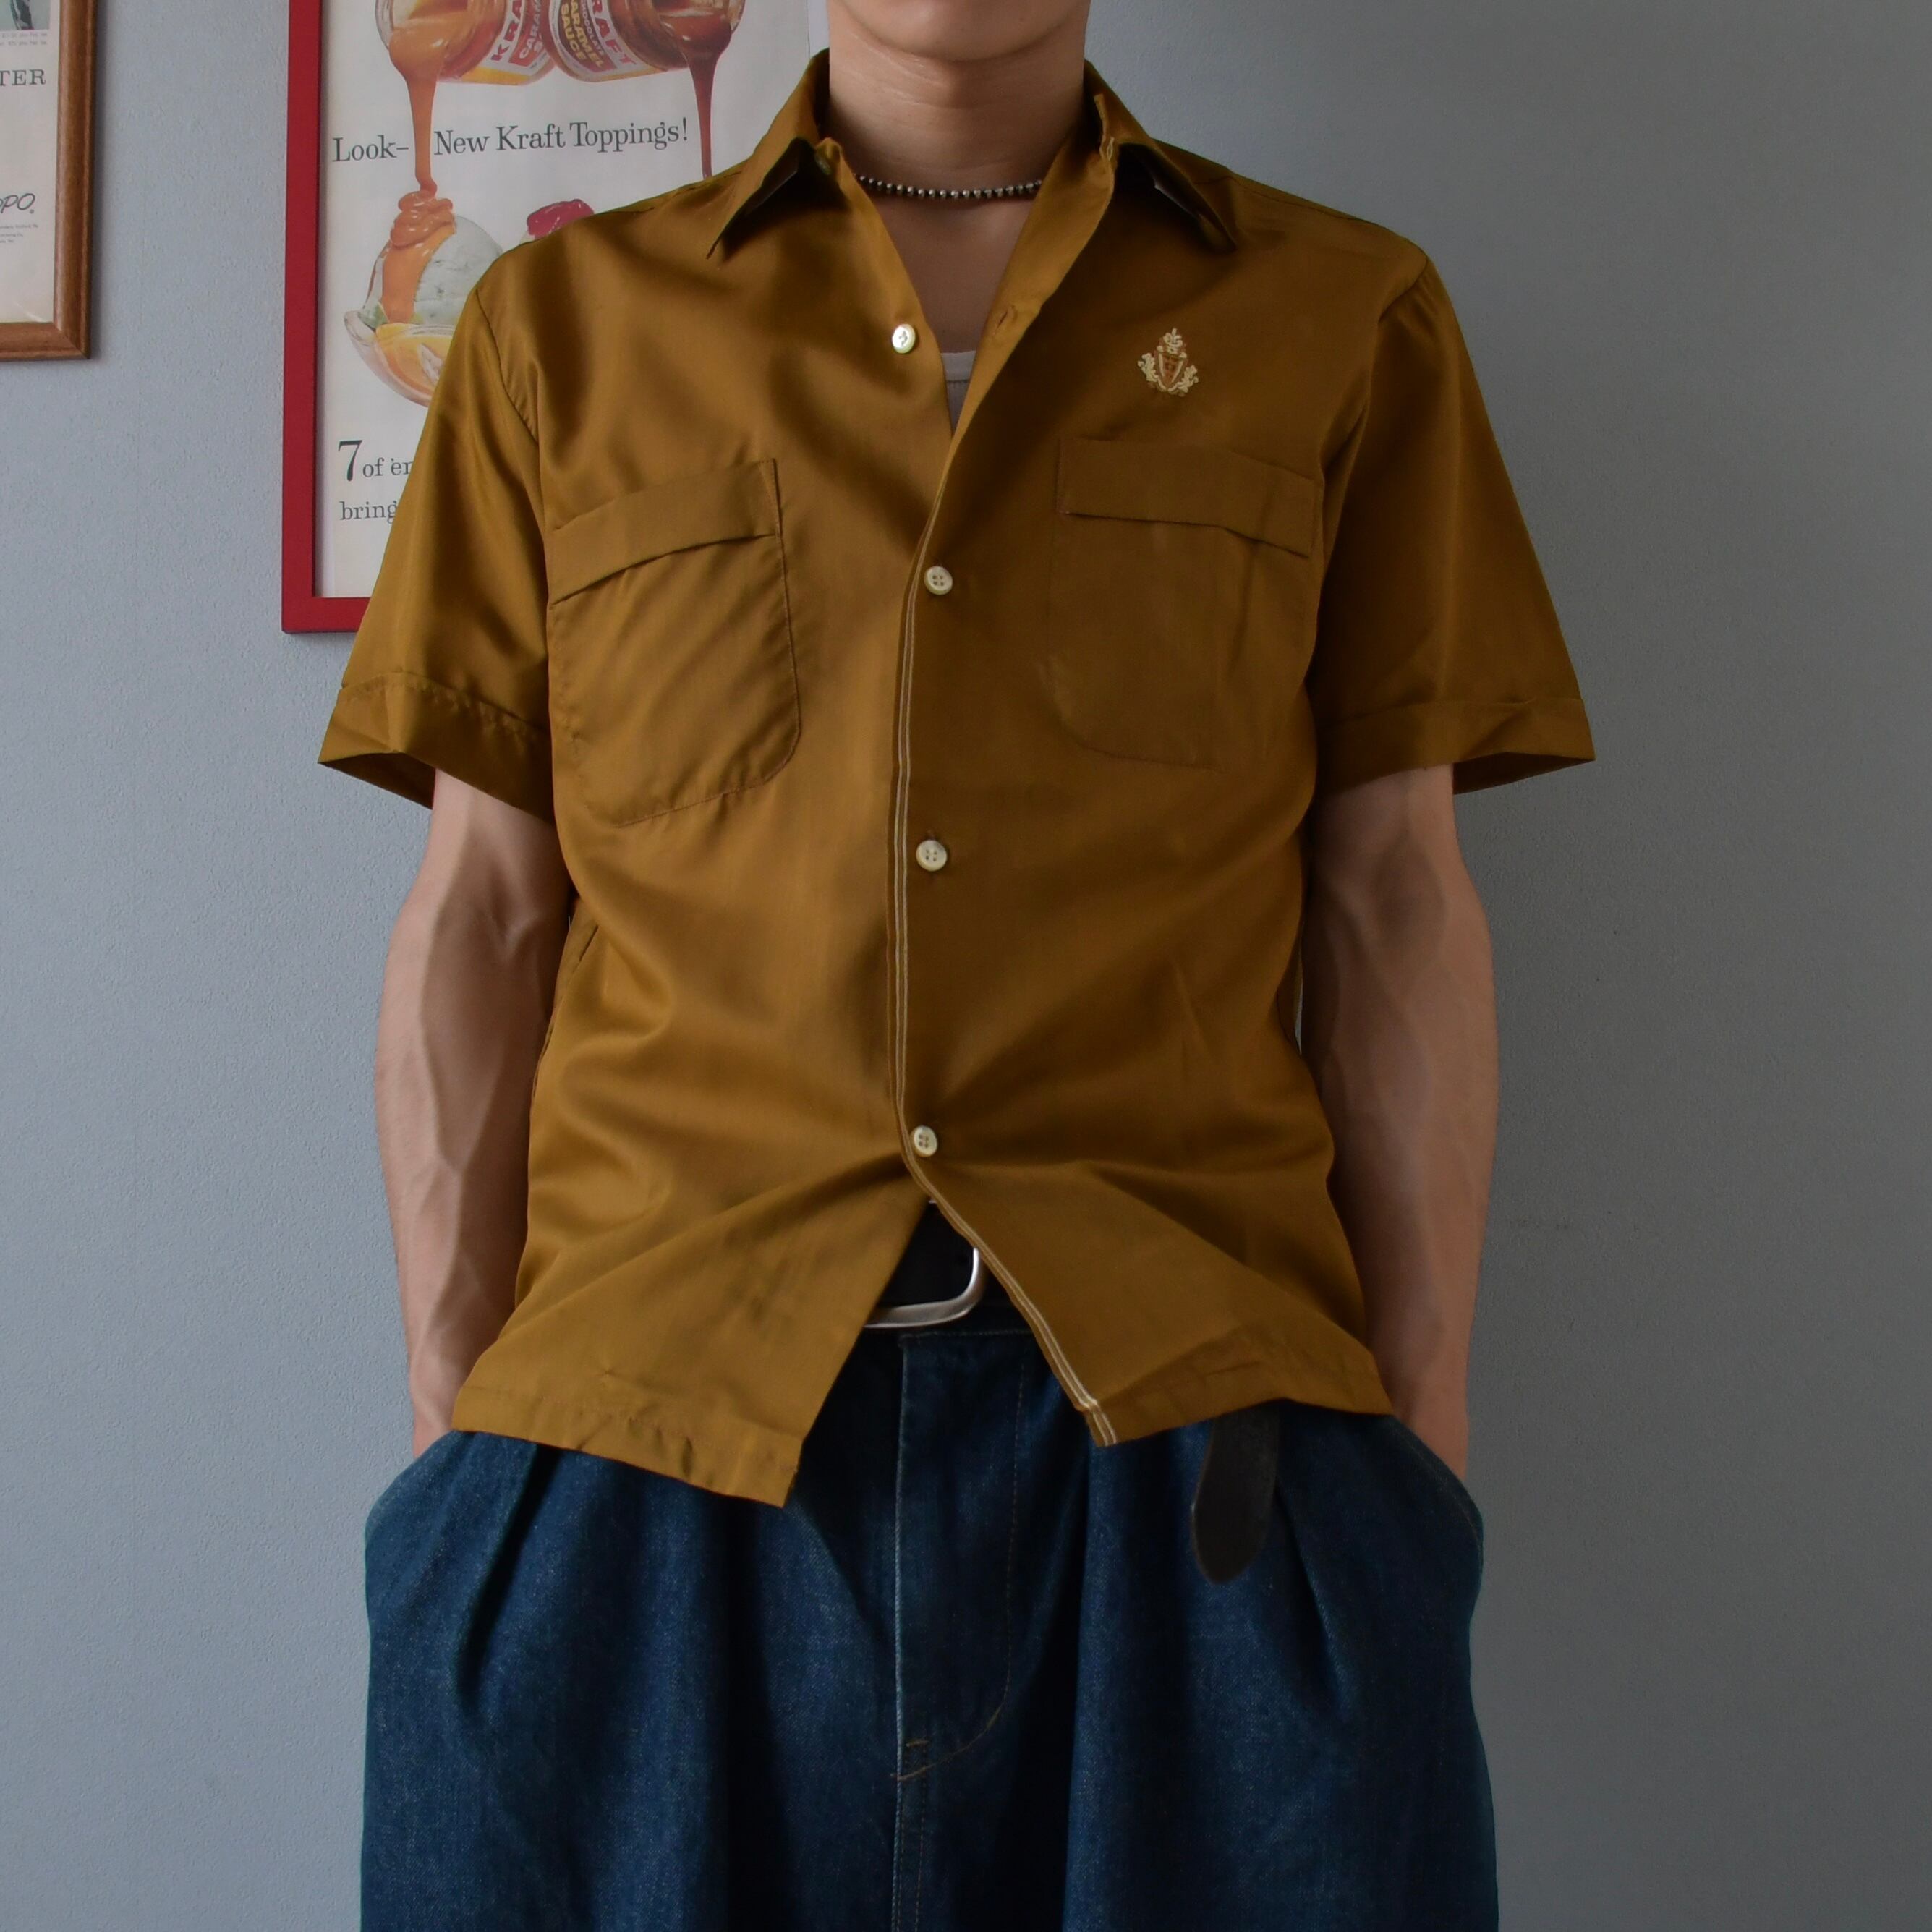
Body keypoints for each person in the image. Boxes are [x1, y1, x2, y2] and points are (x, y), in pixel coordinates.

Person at [319, 2, 1594, 1925]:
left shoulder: (1344, 317)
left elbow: (1395, 897)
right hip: (637, 1446)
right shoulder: (559, 334)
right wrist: (455, 1441)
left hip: (1202, 1445)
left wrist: (1415, 1451)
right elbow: (485, 910)